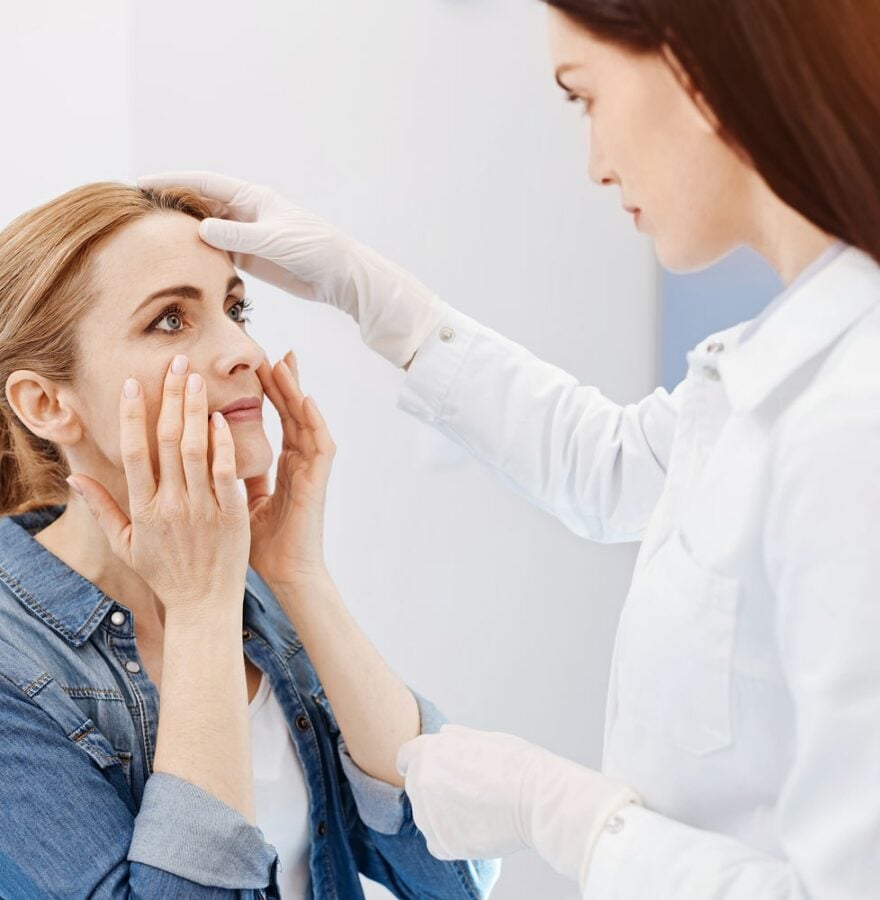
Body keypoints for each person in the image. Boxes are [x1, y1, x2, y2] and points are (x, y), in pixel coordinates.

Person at [140, 0, 880, 897]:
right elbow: (616, 467)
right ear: (41, 402)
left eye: (583, 96)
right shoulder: (785, 375)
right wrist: (377, 297)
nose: (596, 164)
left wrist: (565, 816)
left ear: (693, 68)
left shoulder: (850, 418)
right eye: (169, 319)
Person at [0, 182, 501, 899]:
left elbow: (451, 872)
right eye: (171, 320)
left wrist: (300, 578)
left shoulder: (254, 582)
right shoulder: (14, 664)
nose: (244, 350)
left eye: (236, 309)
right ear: (47, 403)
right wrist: (201, 612)